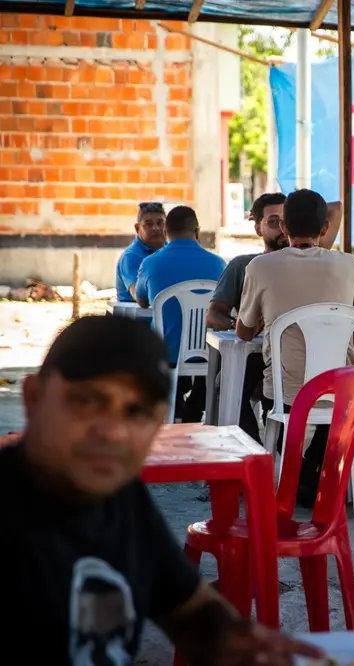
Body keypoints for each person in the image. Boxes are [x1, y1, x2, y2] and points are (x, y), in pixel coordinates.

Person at [0, 315, 323, 665]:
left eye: (136, 411)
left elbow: (187, 606)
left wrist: (230, 639)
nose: (114, 432)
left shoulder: (120, 497)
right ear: (33, 397)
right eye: (87, 401)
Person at [237, 189, 354, 508]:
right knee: (336, 402)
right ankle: (310, 472)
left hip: (285, 390)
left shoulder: (260, 267)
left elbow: (242, 331)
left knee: (278, 403)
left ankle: (304, 472)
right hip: (342, 388)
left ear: (283, 227)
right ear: (325, 229)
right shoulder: (349, 265)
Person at [206, 192, 288, 442]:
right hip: (255, 354)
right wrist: (239, 324)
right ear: (258, 228)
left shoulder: (313, 264)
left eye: (287, 221)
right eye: (274, 222)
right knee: (228, 381)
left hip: (295, 357)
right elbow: (213, 315)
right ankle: (251, 450)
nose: (282, 229)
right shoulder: (243, 266)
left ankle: (289, 455)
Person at [135, 206, 226, 423]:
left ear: (166, 232)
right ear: (198, 231)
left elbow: (141, 300)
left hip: (165, 352)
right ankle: (193, 413)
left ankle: (173, 411)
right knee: (215, 369)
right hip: (208, 350)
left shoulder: (150, 263)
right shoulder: (219, 263)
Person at [115, 202, 166, 303]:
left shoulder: (171, 250)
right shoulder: (130, 257)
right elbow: (139, 296)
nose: (156, 228)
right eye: (149, 224)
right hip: (134, 316)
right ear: (137, 228)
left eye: (160, 223)